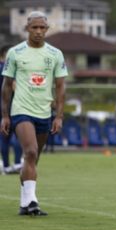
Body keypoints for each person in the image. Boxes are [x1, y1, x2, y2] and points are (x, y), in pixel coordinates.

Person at [0, 11, 68, 216]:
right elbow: (5, 86)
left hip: (44, 112)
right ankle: (32, 202)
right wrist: (5, 115)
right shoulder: (15, 53)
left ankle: (24, 203)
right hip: (21, 110)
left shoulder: (55, 54)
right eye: (34, 27)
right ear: (27, 29)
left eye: (42, 28)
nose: (38, 31)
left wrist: (59, 115)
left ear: (47, 29)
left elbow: (60, 86)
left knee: (33, 159)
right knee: (29, 152)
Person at [0, 45, 23, 175]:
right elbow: (14, 87)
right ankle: (18, 163)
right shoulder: (9, 69)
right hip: (13, 106)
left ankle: (7, 166)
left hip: (2, 107)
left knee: (4, 138)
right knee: (18, 136)